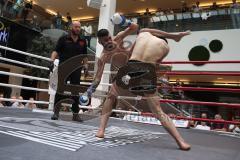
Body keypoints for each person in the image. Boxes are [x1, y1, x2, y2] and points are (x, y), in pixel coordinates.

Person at [85, 13, 191, 150]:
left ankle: (180, 141)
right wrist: (90, 90)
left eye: (109, 38)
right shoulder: (104, 56)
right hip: (135, 69)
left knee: (154, 109)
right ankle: (101, 130)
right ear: (100, 43)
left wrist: (124, 22)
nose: (108, 42)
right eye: (104, 41)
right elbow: (98, 78)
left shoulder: (120, 37)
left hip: (134, 67)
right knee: (113, 96)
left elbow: (134, 28)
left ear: (111, 36)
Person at [50, 21, 87, 122]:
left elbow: (84, 55)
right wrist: (51, 61)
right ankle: (56, 113)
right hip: (64, 68)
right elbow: (56, 50)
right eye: (76, 27)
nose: (78, 29)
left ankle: (75, 114)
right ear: (71, 27)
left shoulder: (83, 41)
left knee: (75, 92)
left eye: (79, 27)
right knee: (60, 90)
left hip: (76, 69)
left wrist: (86, 65)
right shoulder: (63, 39)